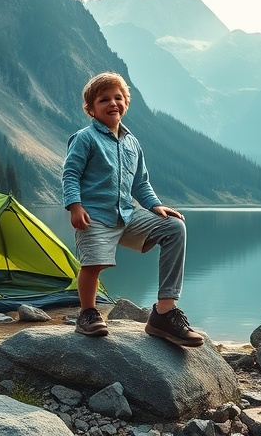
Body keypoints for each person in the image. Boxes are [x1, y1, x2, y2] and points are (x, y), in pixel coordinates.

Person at [61, 71, 204, 347]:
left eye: (118, 97)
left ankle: (164, 312)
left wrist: (155, 205)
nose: (112, 103)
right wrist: (75, 206)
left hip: (127, 215)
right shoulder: (85, 138)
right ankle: (88, 314)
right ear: (90, 109)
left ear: (127, 102)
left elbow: (141, 183)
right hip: (95, 216)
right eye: (104, 100)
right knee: (93, 264)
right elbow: (71, 174)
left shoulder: (132, 142)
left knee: (175, 227)